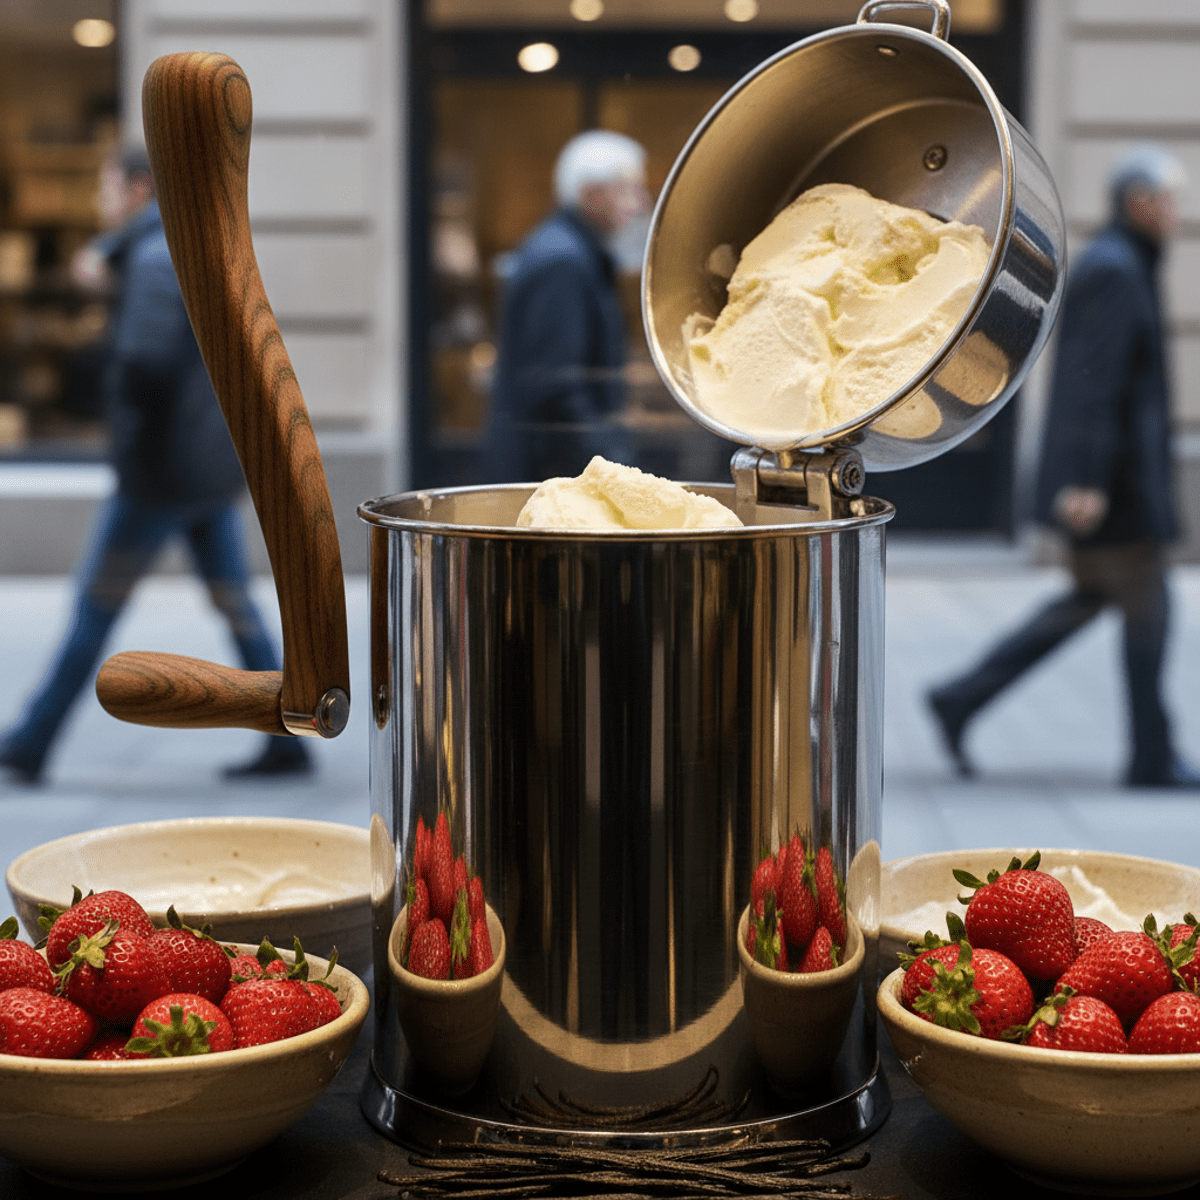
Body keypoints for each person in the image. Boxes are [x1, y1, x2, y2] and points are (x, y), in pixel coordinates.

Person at [0, 146, 310, 784]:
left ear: (139, 187)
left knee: (94, 605)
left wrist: (112, 414)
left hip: (159, 474)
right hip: (200, 466)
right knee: (234, 604)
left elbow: (146, 361)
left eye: (107, 187)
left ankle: (31, 740)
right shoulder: (171, 245)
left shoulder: (152, 255)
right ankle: (289, 731)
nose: (99, 201)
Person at [927, 144, 1197, 789]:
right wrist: (1085, 480)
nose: (1179, 214)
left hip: (1118, 484)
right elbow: (1089, 386)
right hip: (1116, 488)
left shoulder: (1127, 262)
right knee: (1148, 612)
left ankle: (960, 698)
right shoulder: (1117, 268)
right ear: (1142, 204)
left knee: (1088, 602)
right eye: (1172, 201)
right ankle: (1151, 756)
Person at [484, 129, 649, 483]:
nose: (640, 203)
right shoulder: (564, 260)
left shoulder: (569, 251)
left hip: (552, 473)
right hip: (551, 477)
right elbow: (555, 388)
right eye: (630, 188)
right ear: (592, 193)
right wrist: (614, 467)